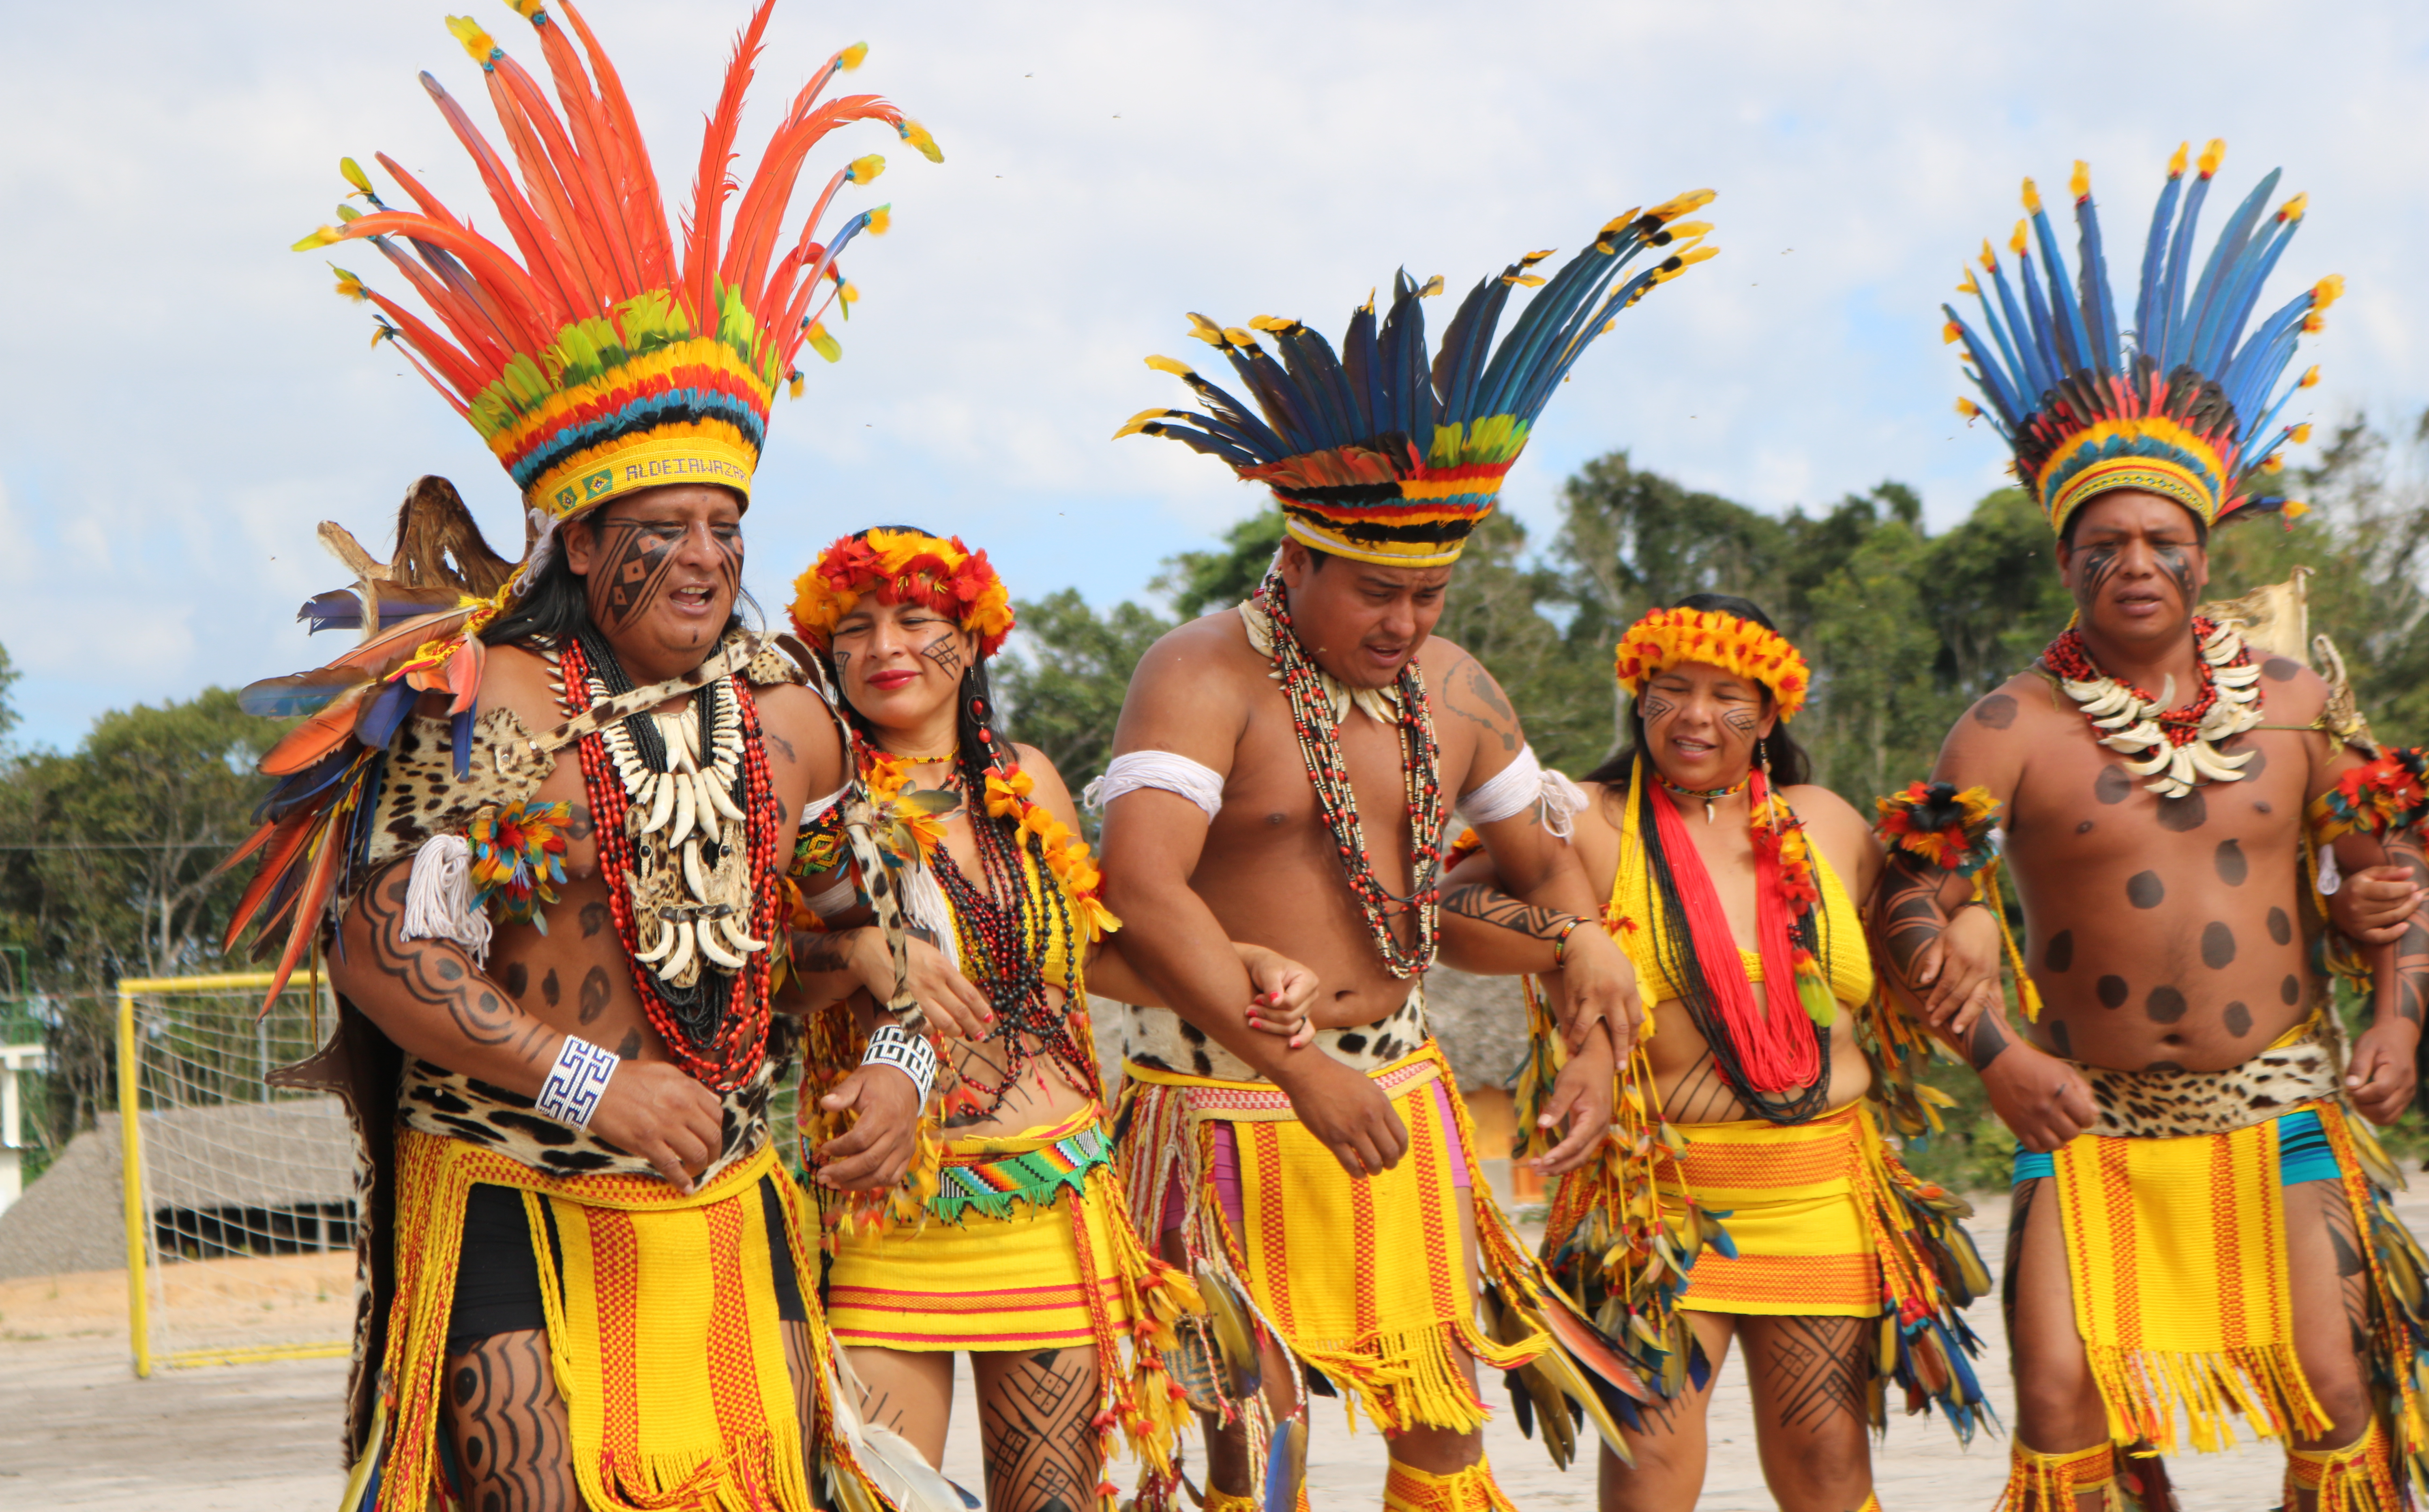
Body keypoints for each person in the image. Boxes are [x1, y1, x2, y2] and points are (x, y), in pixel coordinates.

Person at [231, 0, 949, 1510]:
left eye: (725, 527)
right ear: (575, 539)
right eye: (663, 528)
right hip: (515, 1196)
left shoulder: (790, 719)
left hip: (727, 1205)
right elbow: (389, 953)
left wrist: (899, 1065)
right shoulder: (487, 702)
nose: (703, 558)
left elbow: (881, 938)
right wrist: (592, 1085)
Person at [1097, 199, 1717, 1512]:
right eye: (1377, 592)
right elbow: (1141, 889)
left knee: (1442, 1435)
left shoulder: (1457, 685)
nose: (1407, 622)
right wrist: (1301, 1070)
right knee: (1250, 1447)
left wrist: (1588, 1010)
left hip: (1404, 1092)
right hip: (1223, 1105)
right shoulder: (1199, 675)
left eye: (1430, 594)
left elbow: (1545, 876)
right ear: (1298, 560)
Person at [1899, 142, 2429, 1512]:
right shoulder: (2007, 727)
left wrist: (2398, 1017)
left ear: (2204, 549)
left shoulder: (2299, 703)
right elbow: (1908, 907)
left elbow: (2395, 873)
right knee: (2066, 1402)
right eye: (2105, 543)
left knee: (2335, 1388)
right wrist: (1998, 1058)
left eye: (2161, 540)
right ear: (2064, 556)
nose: (2135, 562)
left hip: (2282, 1105)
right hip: (2084, 1115)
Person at [776, 526, 1327, 1512]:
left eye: (915, 618)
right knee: (877, 1499)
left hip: (1050, 1199)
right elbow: (768, 981)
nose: (884, 646)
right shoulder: (818, 799)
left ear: (973, 637)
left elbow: (1086, 955)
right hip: (886, 1211)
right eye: (853, 628)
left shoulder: (1025, 779)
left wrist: (1239, 960)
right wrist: (860, 949)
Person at [1436, 594, 1992, 1512]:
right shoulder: (1585, 819)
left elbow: (1916, 920)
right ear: (1640, 697)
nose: (1696, 715)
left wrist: (1972, 921)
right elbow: (1447, 911)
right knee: (1650, 1474)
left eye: (1728, 696)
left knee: (1828, 1467)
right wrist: (1576, 936)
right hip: (1656, 1204)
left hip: (1817, 1189)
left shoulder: (1824, 822)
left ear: (1770, 715)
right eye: (1673, 689)